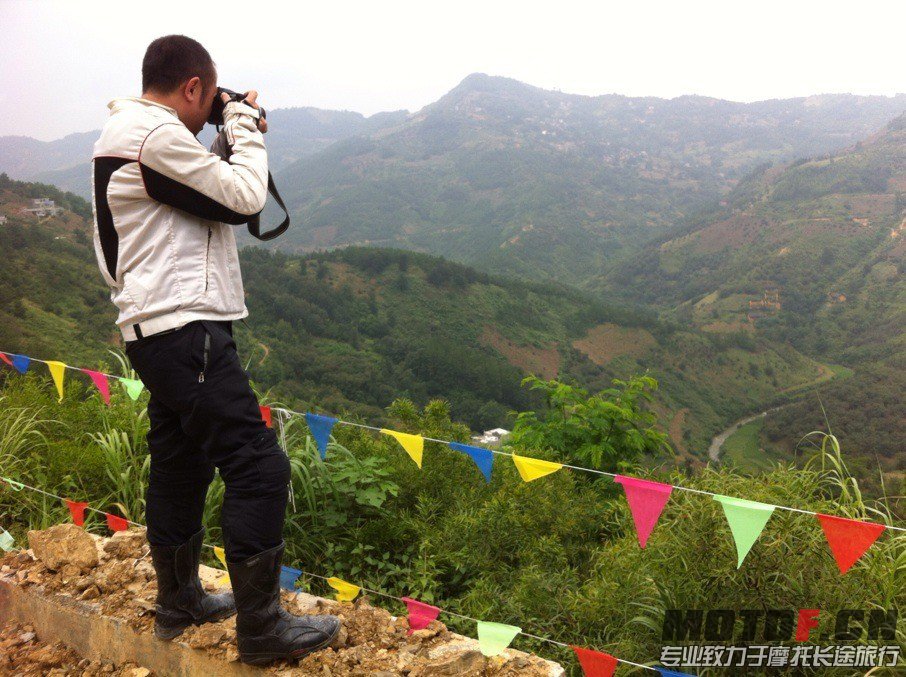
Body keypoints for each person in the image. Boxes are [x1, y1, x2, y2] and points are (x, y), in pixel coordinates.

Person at [89, 34, 340, 665]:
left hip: (157, 329)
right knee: (259, 466)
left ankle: (180, 603)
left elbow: (208, 191)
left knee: (180, 464)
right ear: (194, 88)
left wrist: (227, 134)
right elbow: (246, 197)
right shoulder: (154, 137)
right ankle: (261, 632)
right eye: (209, 101)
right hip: (183, 328)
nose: (209, 115)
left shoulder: (129, 134)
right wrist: (247, 127)